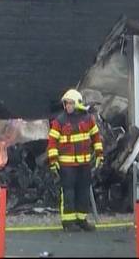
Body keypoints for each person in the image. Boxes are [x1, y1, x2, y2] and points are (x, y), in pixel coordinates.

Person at [47, 89, 103, 233]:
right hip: (67, 165)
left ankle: (81, 220)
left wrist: (99, 155)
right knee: (69, 193)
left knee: (83, 192)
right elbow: (52, 143)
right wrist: (53, 161)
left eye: (70, 103)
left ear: (77, 103)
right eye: (66, 104)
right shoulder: (59, 121)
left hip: (84, 164)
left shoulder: (88, 119)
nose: (67, 107)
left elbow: (96, 138)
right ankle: (68, 222)